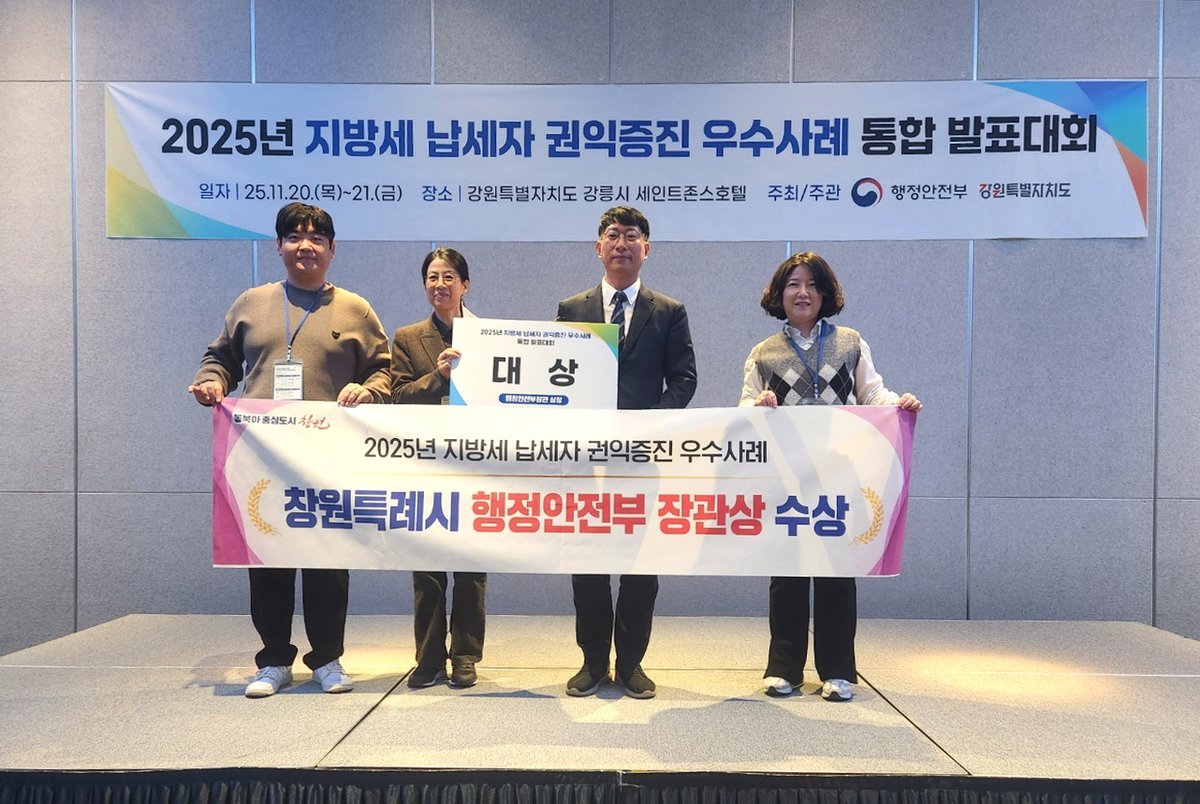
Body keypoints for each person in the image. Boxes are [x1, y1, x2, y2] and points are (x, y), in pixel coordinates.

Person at [188, 202, 391, 698]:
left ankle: (328, 659)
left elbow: (384, 371)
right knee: (268, 561)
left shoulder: (355, 309)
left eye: (316, 238)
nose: (306, 246)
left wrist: (369, 389)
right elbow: (220, 359)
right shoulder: (252, 303)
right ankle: (274, 660)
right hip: (262, 458)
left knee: (328, 562)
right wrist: (212, 382)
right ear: (279, 245)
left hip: (329, 458)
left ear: (332, 248)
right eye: (295, 236)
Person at [739, 251, 922, 702]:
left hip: (840, 475)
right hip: (787, 477)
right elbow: (743, 406)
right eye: (793, 284)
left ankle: (838, 670)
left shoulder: (850, 343)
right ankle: (783, 669)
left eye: (812, 285)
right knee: (787, 573)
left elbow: (872, 392)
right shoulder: (763, 353)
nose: (803, 293)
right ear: (778, 295)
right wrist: (758, 405)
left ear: (825, 294)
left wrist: (899, 403)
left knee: (838, 572)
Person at [555, 206, 698, 698]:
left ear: (646, 248)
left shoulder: (669, 310)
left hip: (643, 457)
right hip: (585, 458)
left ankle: (632, 663)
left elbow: (684, 379)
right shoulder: (571, 309)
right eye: (612, 235)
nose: (621, 244)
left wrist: (649, 424)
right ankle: (593, 662)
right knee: (588, 565)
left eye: (631, 236)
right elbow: (555, 378)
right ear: (599, 247)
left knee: (641, 566)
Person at [390, 247, 487, 690]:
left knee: (471, 566)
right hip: (426, 461)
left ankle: (465, 655)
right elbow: (398, 397)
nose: (440, 285)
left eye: (449, 277)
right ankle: (428, 658)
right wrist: (439, 378)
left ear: (465, 285)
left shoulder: (489, 336)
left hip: (477, 461)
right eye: (432, 277)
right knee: (426, 567)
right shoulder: (408, 338)